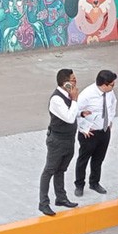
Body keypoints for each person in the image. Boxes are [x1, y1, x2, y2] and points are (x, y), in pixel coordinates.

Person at [39, 68, 89, 216]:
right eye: (73, 80)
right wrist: (74, 100)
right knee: (49, 170)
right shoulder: (56, 99)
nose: (75, 83)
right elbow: (68, 117)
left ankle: (61, 197)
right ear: (65, 83)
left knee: (61, 169)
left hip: (68, 139)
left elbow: (71, 114)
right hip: (57, 140)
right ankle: (43, 203)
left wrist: (80, 113)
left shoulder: (68, 96)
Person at [74, 69, 118, 197]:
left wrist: (110, 120)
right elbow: (76, 112)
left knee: (98, 159)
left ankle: (94, 182)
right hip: (90, 133)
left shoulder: (110, 93)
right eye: (112, 84)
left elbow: (113, 105)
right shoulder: (87, 94)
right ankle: (79, 185)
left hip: (104, 131)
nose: (113, 87)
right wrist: (83, 129)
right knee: (83, 159)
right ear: (104, 84)